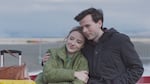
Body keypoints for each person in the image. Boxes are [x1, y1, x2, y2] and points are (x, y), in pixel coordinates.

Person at [42, 8, 144, 84]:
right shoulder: (84, 43)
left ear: (99, 23)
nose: (84, 30)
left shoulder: (119, 40)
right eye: (82, 27)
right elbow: (68, 57)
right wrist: (48, 60)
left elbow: (137, 68)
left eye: (87, 26)